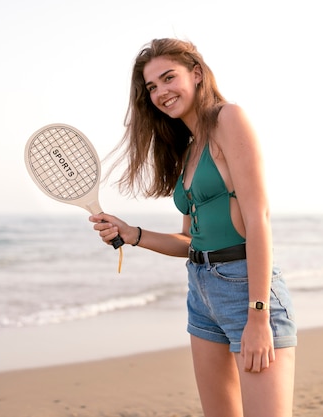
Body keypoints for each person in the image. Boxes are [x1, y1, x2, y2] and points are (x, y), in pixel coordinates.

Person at [89, 38, 297, 417]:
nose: (160, 92)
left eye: (169, 78)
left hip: (245, 288)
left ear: (196, 74)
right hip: (200, 291)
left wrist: (258, 315)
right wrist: (132, 233)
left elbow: (258, 219)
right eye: (152, 87)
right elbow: (189, 240)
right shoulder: (189, 149)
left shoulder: (229, 119)